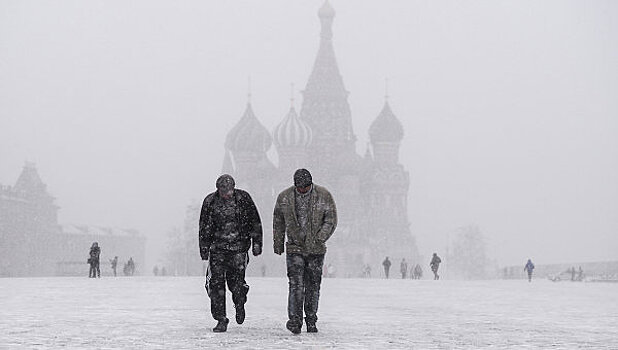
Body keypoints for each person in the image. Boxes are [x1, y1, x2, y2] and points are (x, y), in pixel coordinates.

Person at [273, 168, 337, 334]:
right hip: (295, 248)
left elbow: (330, 220)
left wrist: (320, 238)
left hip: (316, 250)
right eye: (300, 188)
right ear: (295, 186)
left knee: (313, 286)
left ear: (311, 184)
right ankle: (295, 320)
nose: (303, 191)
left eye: (306, 188)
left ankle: (311, 318)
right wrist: (278, 243)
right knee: (295, 284)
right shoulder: (285, 197)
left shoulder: (323, 195)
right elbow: (278, 221)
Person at [199, 174, 263, 333]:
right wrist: (204, 247)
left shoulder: (243, 199)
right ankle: (221, 318)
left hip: (239, 248)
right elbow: (204, 226)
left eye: (228, 190)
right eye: (223, 190)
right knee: (216, 284)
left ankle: (240, 300)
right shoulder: (210, 202)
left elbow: (255, 221)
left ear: (233, 188)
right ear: (218, 189)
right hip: (217, 249)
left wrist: (257, 242)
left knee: (236, 283)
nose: (226, 194)